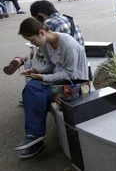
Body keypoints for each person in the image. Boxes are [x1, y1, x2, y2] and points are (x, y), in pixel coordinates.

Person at [15, 17, 88, 159]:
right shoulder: (45, 44)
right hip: (59, 81)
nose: (32, 44)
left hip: (75, 86)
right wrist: (37, 70)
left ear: (41, 33)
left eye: (32, 40)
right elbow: (50, 66)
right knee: (32, 87)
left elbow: (70, 74)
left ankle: (35, 136)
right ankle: (34, 135)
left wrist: (43, 77)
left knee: (34, 91)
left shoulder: (68, 45)